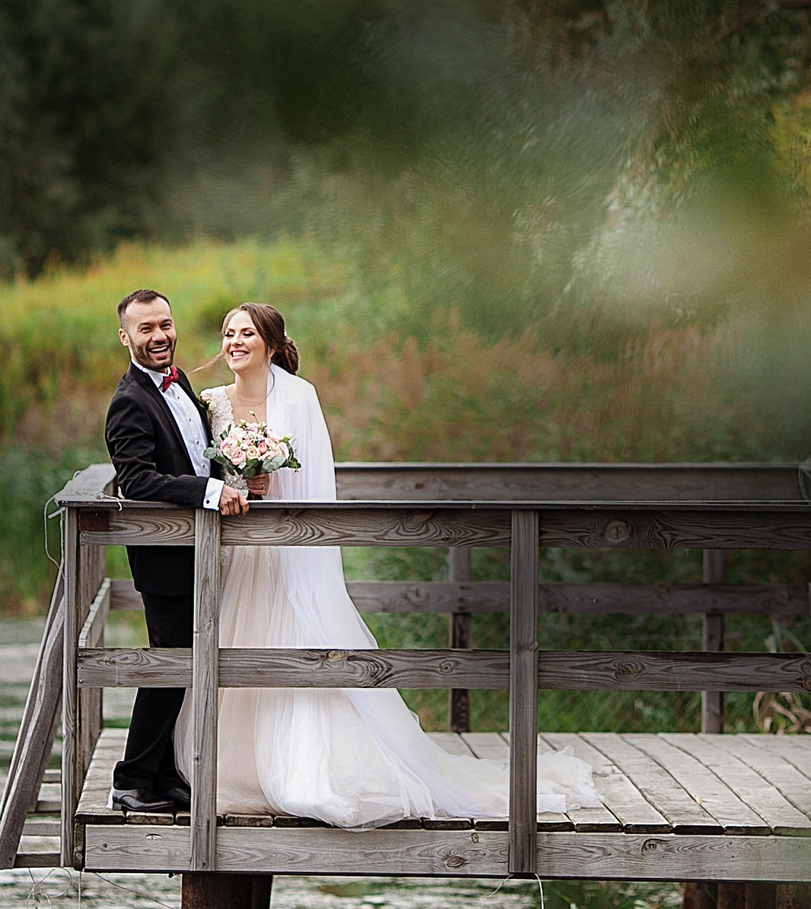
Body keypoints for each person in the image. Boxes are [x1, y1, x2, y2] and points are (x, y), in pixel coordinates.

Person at [179, 301, 599, 829]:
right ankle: (235, 768)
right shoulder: (211, 403)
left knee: (295, 646)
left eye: (245, 333)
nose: (233, 342)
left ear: (269, 342)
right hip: (237, 552)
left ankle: (299, 769)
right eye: (227, 333)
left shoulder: (299, 397)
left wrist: (270, 486)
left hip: (284, 548)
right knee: (236, 651)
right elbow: (201, 472)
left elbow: (312, 480)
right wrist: (240, 486)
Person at [102, 289, 248, 814]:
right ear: (126, 338)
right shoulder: (128, 401)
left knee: (183, 664)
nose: (160, 336)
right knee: (169, 665)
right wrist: (210, 494)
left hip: (197, 552)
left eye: (165, 324)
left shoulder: (179, 380)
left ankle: (163, 775)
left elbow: (194, 456)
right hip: (164, 559)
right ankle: (131, 779)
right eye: (146, 329)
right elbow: (138, 478)